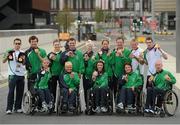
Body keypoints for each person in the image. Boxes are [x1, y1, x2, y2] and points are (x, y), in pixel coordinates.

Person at [3, 38, 26, 114]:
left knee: (20, 92)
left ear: (20, 44)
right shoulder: (9, 51)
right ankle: (9, 108)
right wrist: (8, 55)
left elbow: (24, 63)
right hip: (12, 75)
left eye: (19, 43)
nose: (17, 45)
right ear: (14, 44)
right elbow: (3, 61)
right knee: (11, 91)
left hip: (21, 74)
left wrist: (23, 60)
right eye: (16, 43)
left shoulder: (22, 52)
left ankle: (18, 107)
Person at [47, 39, 63, 104]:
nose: (57, 46)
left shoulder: (63, 54)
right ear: (53, 46)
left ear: (60, 45)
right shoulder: (50, 54)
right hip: (53, 74)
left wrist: (55, 58)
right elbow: (47, 64)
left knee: (62, 90)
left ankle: (61, 105)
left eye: (58, 45)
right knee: (52, 90)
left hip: (61, 74)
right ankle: (52, 105)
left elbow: (62, 61)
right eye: (55, 45)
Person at [82, 40, 95, 108]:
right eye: (88, 46)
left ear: (92, 47)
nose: (89, 47)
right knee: (86, 90)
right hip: (86, 75)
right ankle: (87, 105)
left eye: (90, 46)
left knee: (93, 90)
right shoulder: (84, 55)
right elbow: (82, 65)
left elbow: (97, 65)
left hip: (93, 75)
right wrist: (85, 61)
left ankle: (93, 104)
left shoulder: (94, 55)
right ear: (86, 47)